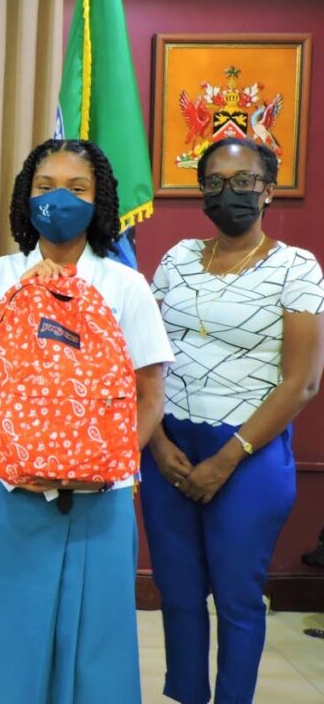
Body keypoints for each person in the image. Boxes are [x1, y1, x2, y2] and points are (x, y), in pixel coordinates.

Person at [0, 139, 175, 704]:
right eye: (45, 186)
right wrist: (19, 298)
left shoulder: (123, 285)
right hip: (4, 497)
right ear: (25, 197)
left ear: (99, 202)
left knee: (92, 659)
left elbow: (151, 397)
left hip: (97, 504)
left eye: (77, 188)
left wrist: (101, 467)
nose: (58, 198)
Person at [141, 137, 324, 704]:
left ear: (267, 191)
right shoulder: (175, 259)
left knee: (238, 598)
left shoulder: (296, 267)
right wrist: (156, 442)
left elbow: (302, 382)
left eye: (243, 182)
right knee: (177, 592)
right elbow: (146, 355)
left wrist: (225, 460)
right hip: (170, 447)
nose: (229, 194)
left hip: (248, 453)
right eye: (215, 183)